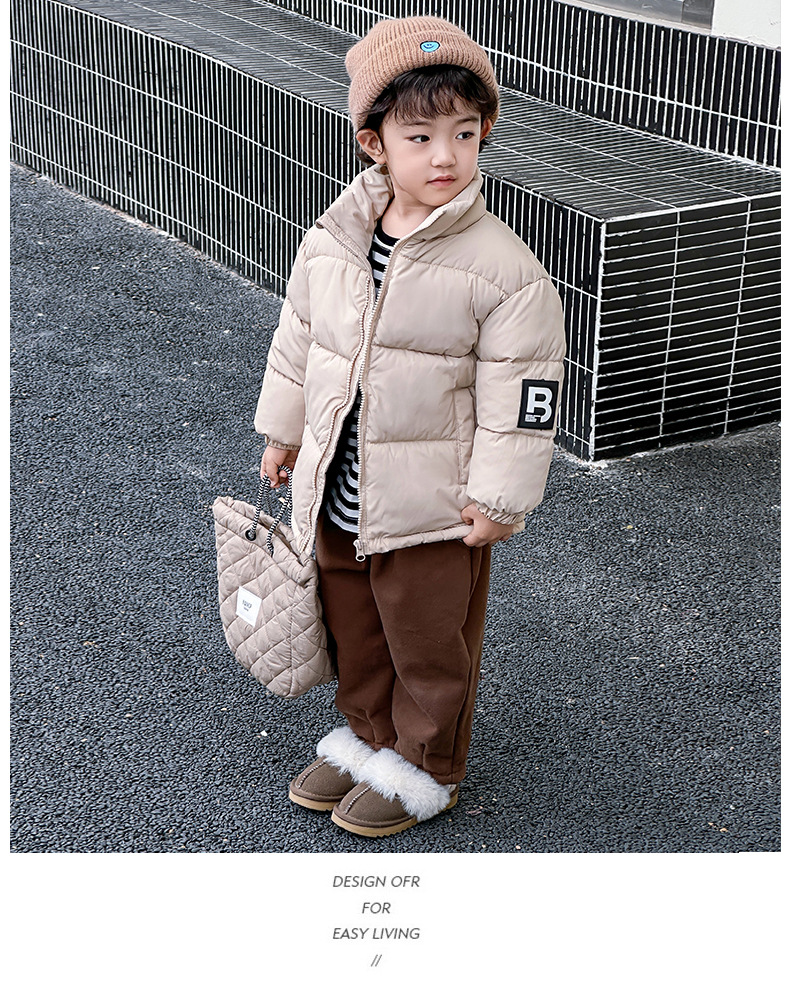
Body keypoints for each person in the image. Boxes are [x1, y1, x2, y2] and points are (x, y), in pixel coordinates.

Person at [254, 15, 566, 838]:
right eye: (419, 136)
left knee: (427, 645)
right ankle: (368, 740)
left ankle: (427, 767)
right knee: (354, 629)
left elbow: (525, 395)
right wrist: (285, 433)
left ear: (484, 132)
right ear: (375, 144)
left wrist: (499, 498)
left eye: (464, 133)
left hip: (433, 510)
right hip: (341, 494)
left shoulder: (504, 269)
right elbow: (301, 340)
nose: (444, 157)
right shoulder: (336, 238)